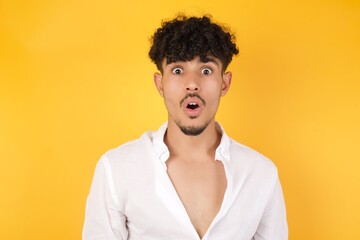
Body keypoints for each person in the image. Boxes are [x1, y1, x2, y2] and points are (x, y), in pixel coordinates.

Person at [82, 15, 288, 240]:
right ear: (160, 84)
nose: (192, 83)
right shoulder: (116, 169)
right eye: (178, 70)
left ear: (225, 83)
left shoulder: (261, 174)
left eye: (206, 70)